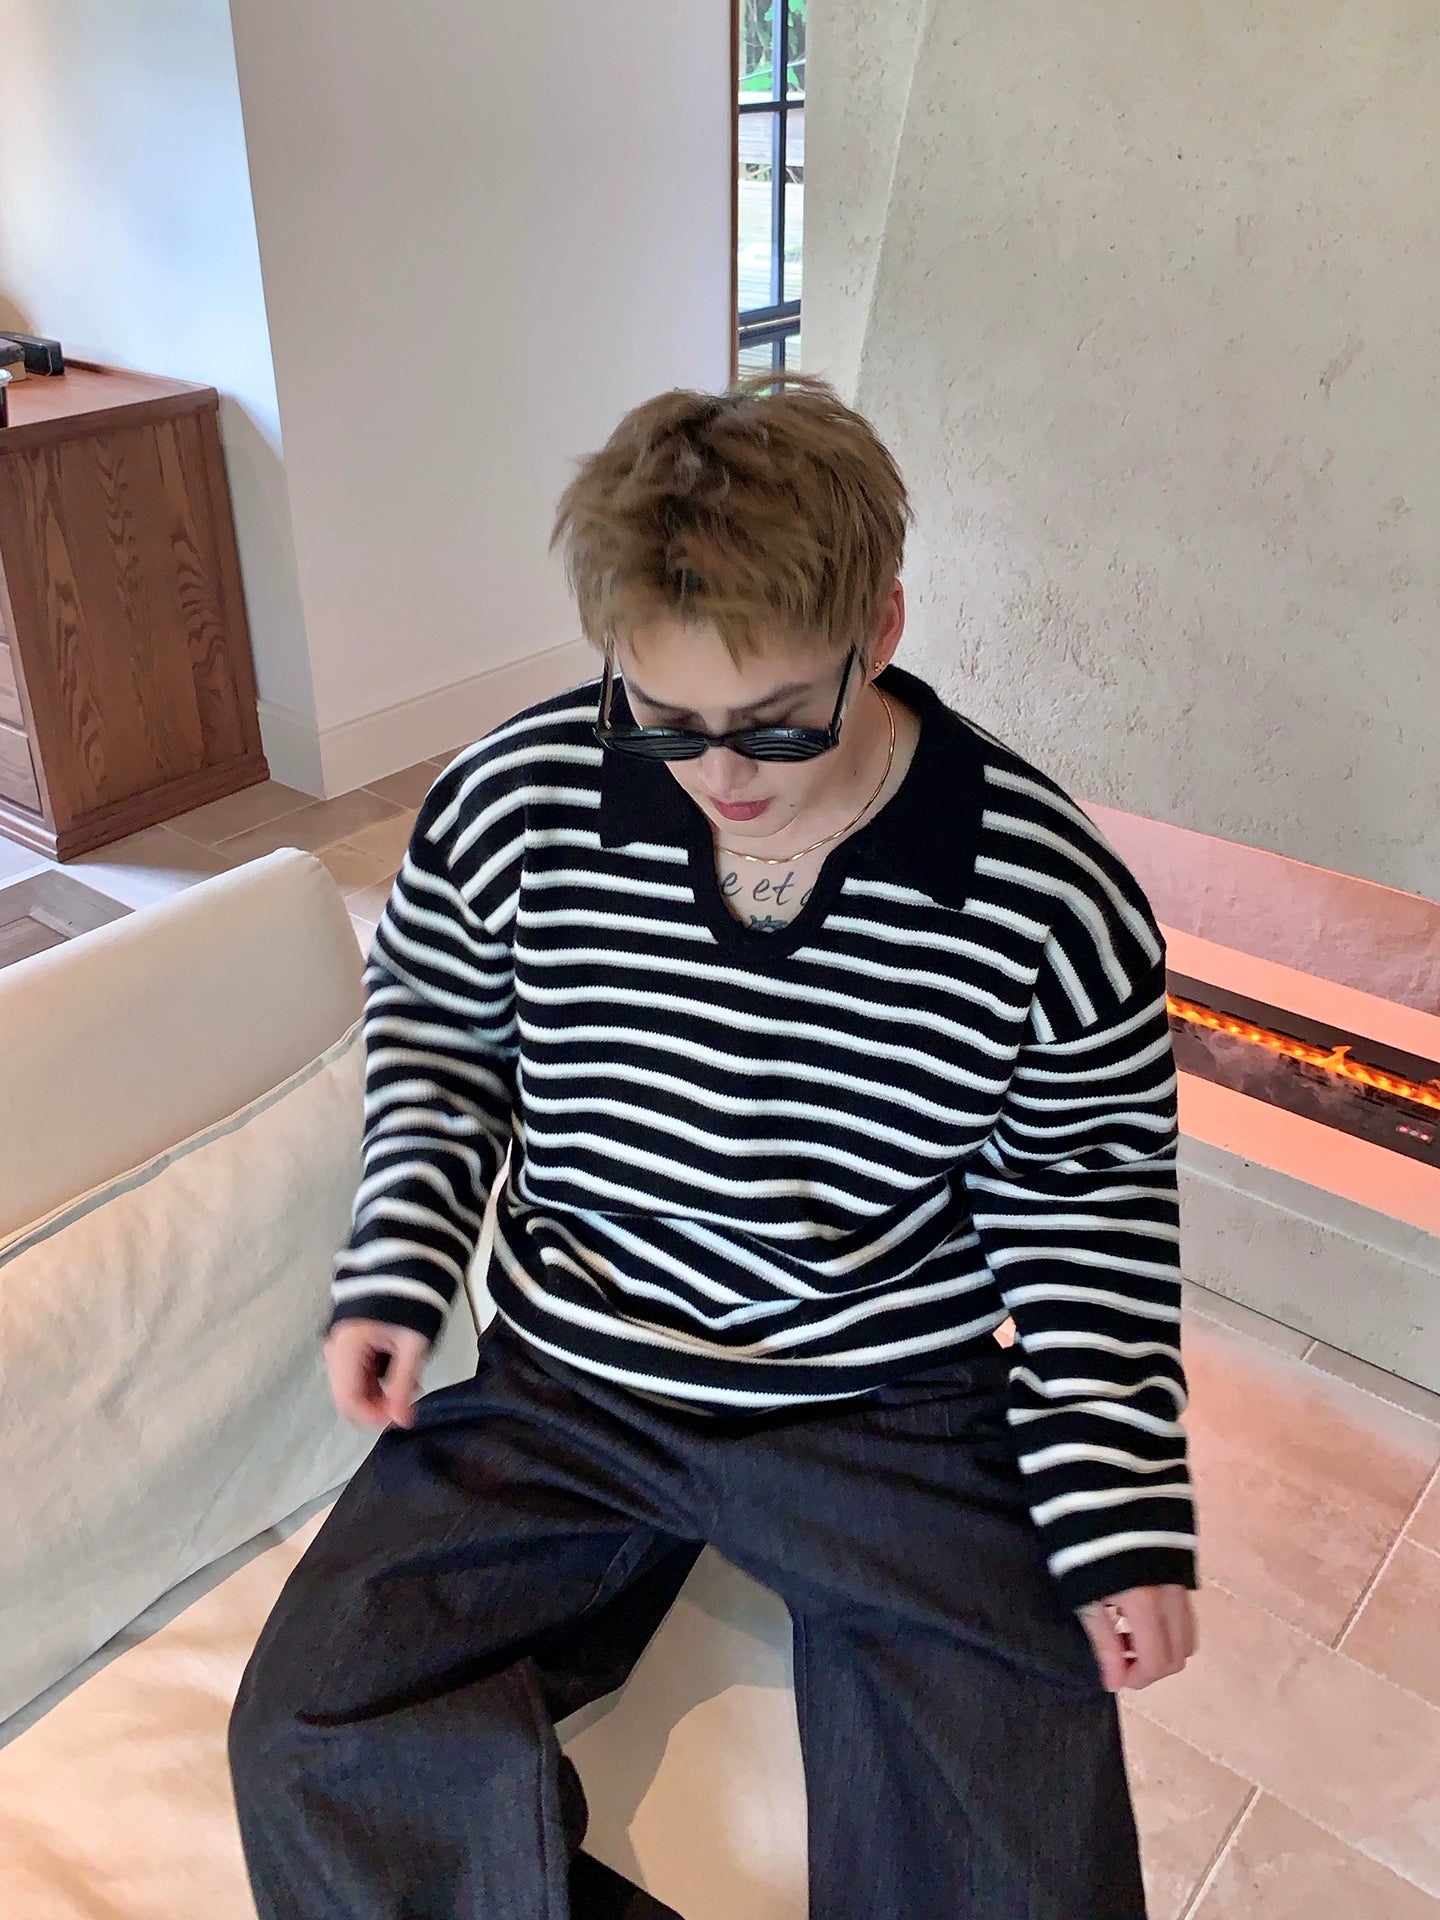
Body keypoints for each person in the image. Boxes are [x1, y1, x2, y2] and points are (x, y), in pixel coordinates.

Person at [229, 374, 1199, 1919]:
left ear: (880, 629)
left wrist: (1117, 1490)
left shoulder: (1044, 892)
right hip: (574, 1373)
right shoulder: (515, 802)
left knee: (1021, 1861)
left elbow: (1089, 1211)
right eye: (665, 718)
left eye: (777, 721)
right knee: (312, 1732)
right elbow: (442, 1040)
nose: (720, 776)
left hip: (882, 1402)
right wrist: (402, 1255)